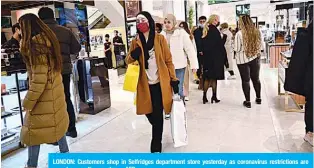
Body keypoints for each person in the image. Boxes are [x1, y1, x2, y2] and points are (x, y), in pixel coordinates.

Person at [19, 13, 69, 168]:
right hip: (54, 92)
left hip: (44, 97)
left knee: (33, 132)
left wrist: (27, 102)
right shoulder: (49, 41)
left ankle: (31, 165)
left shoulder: (36, 47)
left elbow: (38, 81)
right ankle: (65, 157)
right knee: (56, 124)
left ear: (26, 28)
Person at [125, 11, 178, 153]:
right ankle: (157, 126)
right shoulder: (135, 41)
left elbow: (168, 60)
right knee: (148, 112)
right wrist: (133, 56)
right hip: (144, 84)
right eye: (137, 21)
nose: (140, 23)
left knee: (158, 114)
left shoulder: (160, 39)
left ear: (149, 21)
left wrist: (174, 79)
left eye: (142, 19)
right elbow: (128, 61)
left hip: (161, 83)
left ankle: (156, 144)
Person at [38, 7, 81, 138]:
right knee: (66, 98)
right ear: (53, 17)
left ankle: (55, 134)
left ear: (40, 18)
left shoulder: (39, 34)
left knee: (50, 102)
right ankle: (71, 129)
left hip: (48, 72)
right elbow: (77, 48)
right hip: (64, 70)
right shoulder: (65, 31)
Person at [284, 17, 313, 146]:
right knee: (312, 103)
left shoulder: (305, 35)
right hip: (310, 77)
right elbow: (300, 61)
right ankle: (310, 132)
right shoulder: (306, 36)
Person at [161, 14, 198, 101]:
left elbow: (190, 49)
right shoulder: (161, 35)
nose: (167, 24)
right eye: (165, 22)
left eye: (169, 22)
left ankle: (180, 110)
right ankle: (169, 110)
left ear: (174, 22)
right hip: (165, 66)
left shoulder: (181, 33)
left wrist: (194, 65)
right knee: (167, 89)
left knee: (178, 88)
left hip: (179, 65)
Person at [234, 15, 263, 108]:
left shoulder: (239, 34)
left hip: (243, 60)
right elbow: (261, 47)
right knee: (256, 79)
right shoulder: (257, 31)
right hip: (255, 58)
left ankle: (248, 101)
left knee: (246, 80)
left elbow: (237, 49)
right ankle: (258, 98)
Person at [201, 14, 228, 104]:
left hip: (207, 58)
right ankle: (214, 96)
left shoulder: (206, 29)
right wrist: (224, 37)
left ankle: (205, 97)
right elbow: (219, 44)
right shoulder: (214, 30)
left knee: (207, 78)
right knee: (214, 78)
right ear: (214, 20)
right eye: (218, 20)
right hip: (215, 58)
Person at [179, 21, 196, 101]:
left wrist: (192, 61)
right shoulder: (177, 36)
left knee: (185, 78)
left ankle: (186, 93)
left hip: (186, 59)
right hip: (178, 60)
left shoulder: (189, 36)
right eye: (180, 26)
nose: (181, 28)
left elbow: (192, 49)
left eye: (183, 27)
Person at [193, 16, 207, 90]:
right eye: (201, 21)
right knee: (200, 67)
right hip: (199, 52)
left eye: (203, 21)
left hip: (207, 52)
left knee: (206, 67)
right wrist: (200, 50)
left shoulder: (208, 30)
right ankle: (201, 82)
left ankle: (206, 82)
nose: (202, 23)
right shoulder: (197, 31)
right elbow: (197, 42)